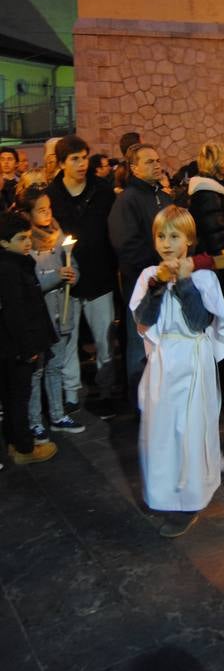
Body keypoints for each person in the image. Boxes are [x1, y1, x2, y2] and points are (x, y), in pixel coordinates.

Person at [130, 206, 224, 538]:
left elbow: (199, 321)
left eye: (174, 236)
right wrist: (159, 286)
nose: (166, 243)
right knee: (160, 426)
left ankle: (190, 497)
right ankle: (163, 490)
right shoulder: (148, 275)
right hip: (164, 359)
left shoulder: (204, 277)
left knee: (189, 426)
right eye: (161, 236)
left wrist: (184, 281)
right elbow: (144, 319)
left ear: (189, 239)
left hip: (192, 357)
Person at [48, 135, 118, 419]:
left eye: (83, 157)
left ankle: (106, 390)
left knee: (104, 338)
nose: (80, 163)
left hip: (100, 276)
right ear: (62, 163)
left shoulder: (102, 191)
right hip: (68, 280)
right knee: (68, 339)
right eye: (74, 159)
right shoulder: (51, 196)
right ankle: (71, 392)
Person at [17, 186, 86, 440]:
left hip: (61, 312)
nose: (48, 214)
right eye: (41, 210)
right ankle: (35, 420)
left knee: (56, 366)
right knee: (36, 371)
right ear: (27, 214)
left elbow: (73, 266)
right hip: (38, 317)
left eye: (49, 208)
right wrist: (54, 277)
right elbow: (27, 282)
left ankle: (57, 415)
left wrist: (72, 275)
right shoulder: (23, 240)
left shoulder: (58, 236)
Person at [108, 143, 173, 406]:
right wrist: (156, 269)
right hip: (143, 284)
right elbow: (126, 243)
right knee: (141, 342)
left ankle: (162, 397)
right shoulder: (127, 200)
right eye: (149, 162)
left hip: (168, 280)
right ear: (133, 167)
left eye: (158, 160)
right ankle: (140, 402)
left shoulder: (163, 196)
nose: (157, 165)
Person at [0, 211, 58, 465]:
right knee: (18, 396)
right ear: (4, 242)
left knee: (14, 396)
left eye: (28, 237)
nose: (27, 242)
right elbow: (16, 312)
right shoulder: (10, 268)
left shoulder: (14, 263)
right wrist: (28, 348)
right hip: (16, 347)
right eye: (21, 238)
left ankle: (16, 441)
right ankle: (23, 448)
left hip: (13, 345)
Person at [187, 142, 224, 255]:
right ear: (219, 163)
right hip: (213, 260)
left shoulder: (215, 187)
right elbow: (214, 235)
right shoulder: (207, 192)